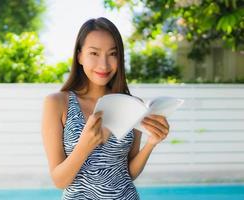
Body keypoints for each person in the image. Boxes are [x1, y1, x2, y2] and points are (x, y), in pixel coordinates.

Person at [41, 17, 170, 199]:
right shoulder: (57, 103)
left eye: (112, 53)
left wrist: (151, 143)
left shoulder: (132, 105)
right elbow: (59, 181)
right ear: (79, 56)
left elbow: (128, 174)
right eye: (94, 53)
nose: (104, 64)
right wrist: (85, 145)